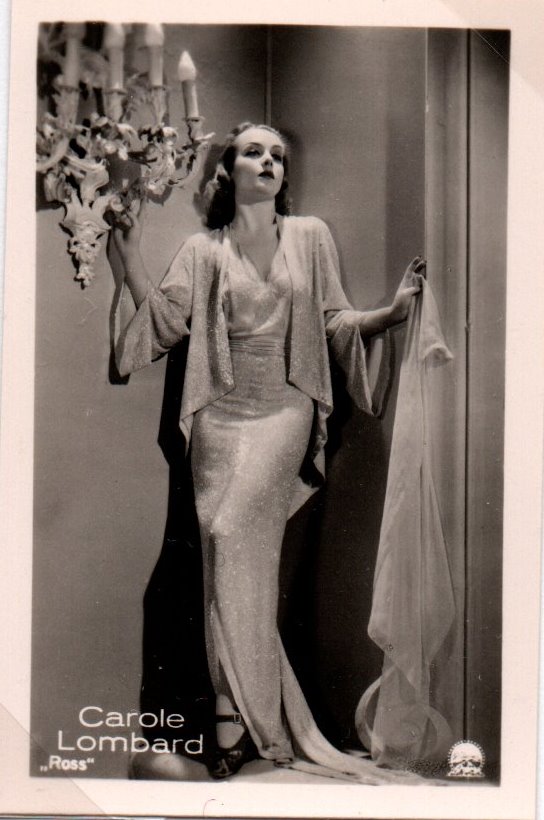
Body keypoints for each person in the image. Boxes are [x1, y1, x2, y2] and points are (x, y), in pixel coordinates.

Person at [113, 122, 425, 783]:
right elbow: (165, 323)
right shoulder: (203, 250)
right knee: (225, 565)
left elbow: (335, 321)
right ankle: (240, 719)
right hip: (217, 419)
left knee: (230, 537)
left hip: (284, 409)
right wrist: (129, 257)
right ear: (227, 169)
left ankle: (238, 720)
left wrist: (391, 315)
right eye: (254, 152)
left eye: (278, 156)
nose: (269, 162)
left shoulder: (309, 237)